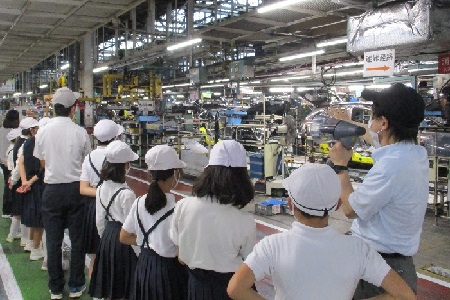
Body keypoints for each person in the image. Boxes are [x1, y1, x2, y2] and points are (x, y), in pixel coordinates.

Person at [227, 164, 416, 300]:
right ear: (338, 205)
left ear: (291, 204)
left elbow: (236, 288)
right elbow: (405, 295)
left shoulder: (273, 245)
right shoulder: (358, 249)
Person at [328, 83, 428, 298]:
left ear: (384, 123)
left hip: (379, 266)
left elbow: (349, 209)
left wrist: (340, 166)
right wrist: (349, 123)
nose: (369, 123)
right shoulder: (414, 153)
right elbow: (371, 136)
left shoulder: (390, 167)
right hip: (398, 261)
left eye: (372, 117)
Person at [170, 140, 256, 299]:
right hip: (228, 290)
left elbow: (179, 252)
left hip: (195, 287)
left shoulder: (183, 206)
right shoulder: (244, 221)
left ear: (208, 171)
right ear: (242, 178)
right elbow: (250, 263)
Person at [34, 87, 91, 299]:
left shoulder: (43, 131)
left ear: (53, 107)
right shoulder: (80, 132)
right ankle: (76, 285)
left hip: (52, 190)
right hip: (76, 189)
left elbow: (41, 161)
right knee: (78, 240)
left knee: (53, 241)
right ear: (73, 108)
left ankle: (56, 288)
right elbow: (86, 160)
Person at [120, 145, 188, 300]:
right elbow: (182, 256)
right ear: (174, 174)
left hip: (143, 266)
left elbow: (123, 236)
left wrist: (148, 242)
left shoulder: (138, 203)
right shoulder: (178, 209)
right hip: (169, 273)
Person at [89, 140, 138, 300]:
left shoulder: (101, 187)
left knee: (112, 282)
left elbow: (99, 221)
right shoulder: (126, 194)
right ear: (125, 166)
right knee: (126, 285)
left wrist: (105, 239)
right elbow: (131, 227)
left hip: (108, 237)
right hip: (123, 240)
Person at [80, 119, 120, 279]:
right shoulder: (118, 156)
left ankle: (95, 292)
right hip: (114, 209)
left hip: (92, 208)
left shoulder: (89, 158)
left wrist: (101, 192)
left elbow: (83, 188)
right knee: (116, 256)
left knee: (95, 256)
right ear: (116, 137)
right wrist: (110, 193)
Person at [9, 117, 38, 251]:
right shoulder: (27, 144)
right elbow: (19, 165)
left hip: (23, 182)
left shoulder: (19, 143)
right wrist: (21, 180)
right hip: (27, 183)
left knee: (25, 212)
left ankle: (23, 239)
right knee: (29, 213)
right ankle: (27, 241)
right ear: (31, 130)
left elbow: (17, 165)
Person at [1, 109, 19, 218]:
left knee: (7, 185)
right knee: (11, 185)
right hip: (9, 162)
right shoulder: (13, 132)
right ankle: (10, 210)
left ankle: (6, 210)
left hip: (3, 162)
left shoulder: (1, 130)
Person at [4, 128, 22, 241]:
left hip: (13, 178)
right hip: (17, 179)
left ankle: (13, 233)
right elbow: (17, 167)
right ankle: (20, 236)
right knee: (20, 210)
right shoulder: (16, 149)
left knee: (17, 210)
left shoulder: (10, 149)